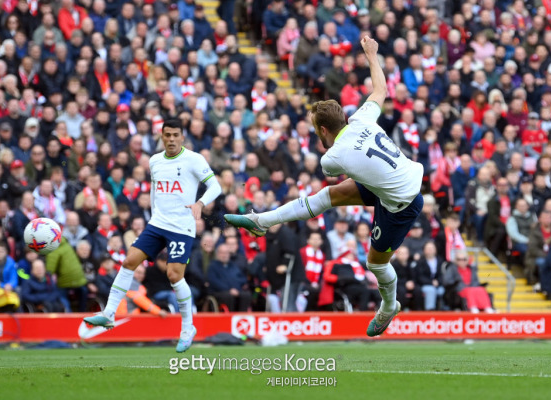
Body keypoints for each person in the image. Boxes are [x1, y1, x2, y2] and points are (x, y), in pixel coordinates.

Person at [225, 36, 424, 337]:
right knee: (328, 196)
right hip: (400, 179)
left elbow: (336, 162)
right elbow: (381, 88)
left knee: (375, 264)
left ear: (321, 130)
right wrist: (371, 54)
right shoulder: (362, 118)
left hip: (401, 202)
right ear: (345, 116)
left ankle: (389, 305)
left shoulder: (331, 158)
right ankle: (261, 221)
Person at [84, 119, 222, 353]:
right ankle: (108, 313)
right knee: (128, 262)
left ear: (182, 137)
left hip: (181, 226)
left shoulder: (194, 160)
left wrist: (200, 203)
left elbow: (215, 187)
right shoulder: (155, 160)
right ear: (161, 136)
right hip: (157, 223)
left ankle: (188, 327)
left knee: (174, 276)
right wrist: (153, 216)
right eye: (166, 135)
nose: (170, 139)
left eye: (175, 135)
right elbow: (156, 191)